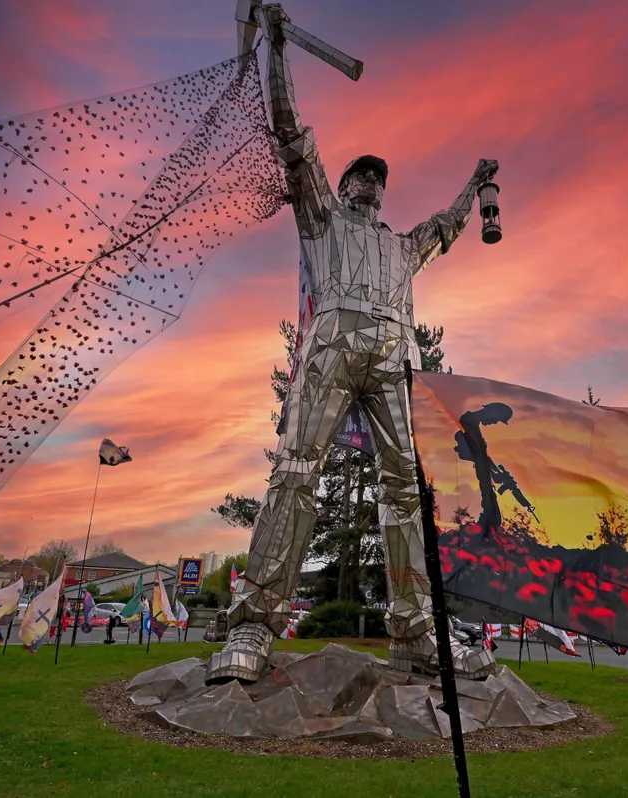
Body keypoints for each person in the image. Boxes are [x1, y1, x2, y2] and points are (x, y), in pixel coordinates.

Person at [207, 3, 498, 685]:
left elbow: (449, 226)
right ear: (342, 185)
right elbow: (289, 132)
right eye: (360, 174)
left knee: (405, 491)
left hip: (396, 357)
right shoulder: (322, 220)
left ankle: (416, 631)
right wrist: (276, 48)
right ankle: (252, 626)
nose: (370, 180)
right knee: (297, 468)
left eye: (378, 177)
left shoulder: (403, 246)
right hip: (334, 341)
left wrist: (477, 180)